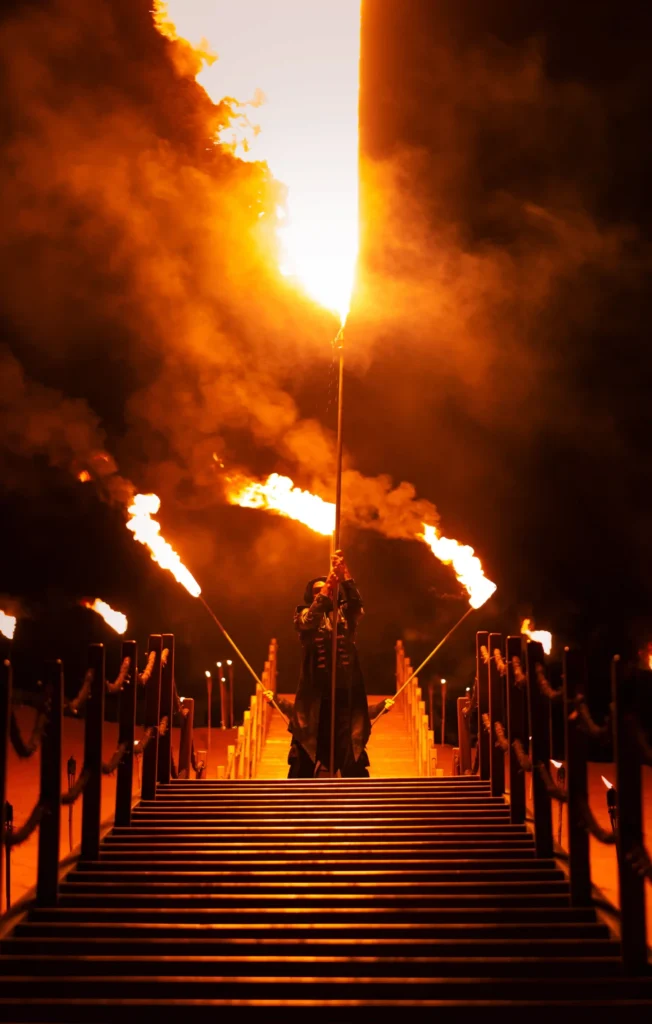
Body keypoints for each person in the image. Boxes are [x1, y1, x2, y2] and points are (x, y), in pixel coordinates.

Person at [264, 550, 393, 778]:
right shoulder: (302, 614)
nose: (323, 593)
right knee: (304, 753)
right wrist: (327, 587)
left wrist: (344, 576)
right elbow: (309, 621)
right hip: (316, 699)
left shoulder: (345, 614)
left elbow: (356, 604)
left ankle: (360, 806)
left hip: (346, 697)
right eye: (317, 591)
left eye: (327, 589)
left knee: (352, 756)